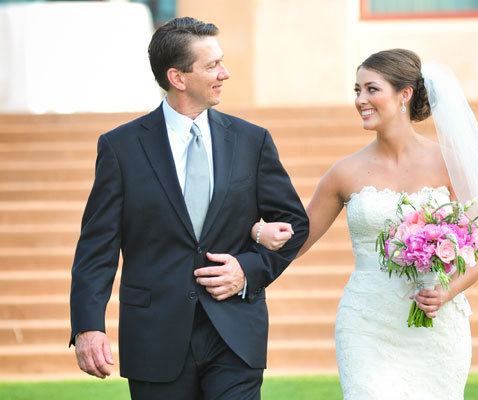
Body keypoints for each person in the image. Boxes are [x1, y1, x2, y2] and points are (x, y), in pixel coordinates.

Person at [255, 49, 478, 399]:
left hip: (436, 326)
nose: (360, 100)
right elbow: (297, 242)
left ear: (405, 95)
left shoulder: (450, 164)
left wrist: (447, 292)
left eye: (371, 89)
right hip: (366, 324)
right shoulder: (344, 172)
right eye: (357, 90)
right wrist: (256, 230)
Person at [69, 17, 308, 400]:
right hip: (154, 336)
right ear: (178, 78)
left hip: (235, 334)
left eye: (222, 62)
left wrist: (247, 270)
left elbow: (296, 222)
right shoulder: (121, 148)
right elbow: (96, 247)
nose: (224, 73)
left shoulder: (252, 140)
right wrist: (87, 326)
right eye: (212, 65)